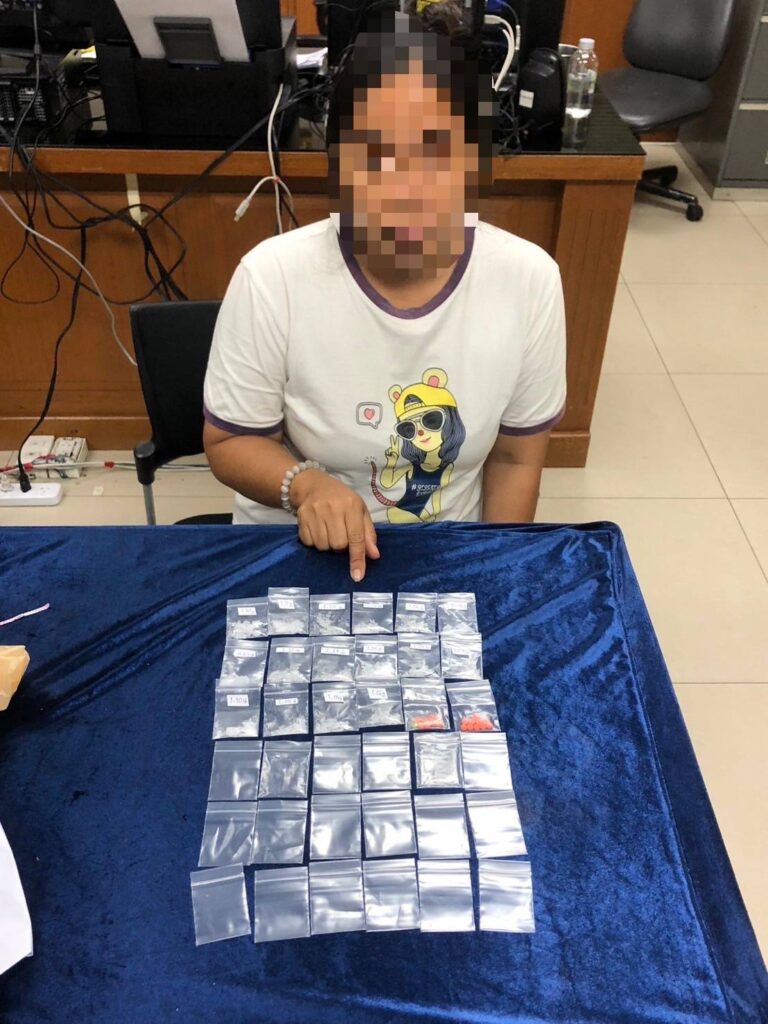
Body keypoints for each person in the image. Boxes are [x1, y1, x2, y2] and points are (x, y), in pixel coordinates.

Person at [203, 11, 566, 581]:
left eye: (435, 150)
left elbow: (516, 459)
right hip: (297, 550)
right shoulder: (271, 277)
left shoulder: (529, 280)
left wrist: (494, 571)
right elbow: (230, 441)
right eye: (375, 153)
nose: (405, 184)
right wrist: (305, 485)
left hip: (444, 553)